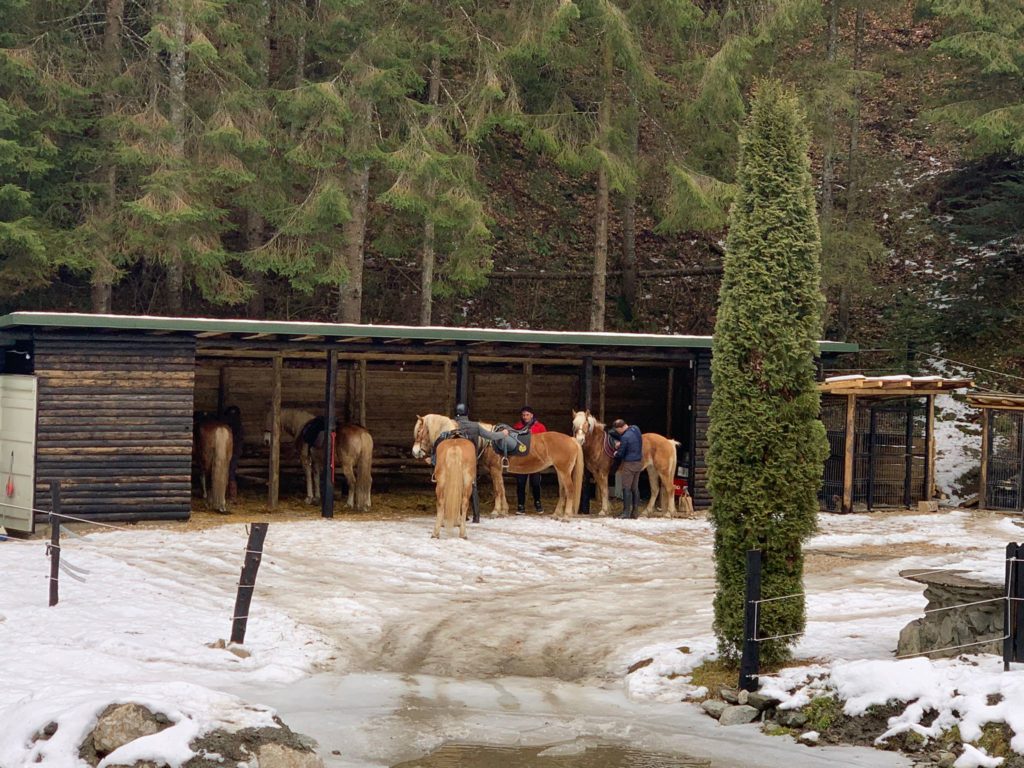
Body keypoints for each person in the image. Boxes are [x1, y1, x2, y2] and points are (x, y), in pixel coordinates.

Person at [512, 405, 547, 514]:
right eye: (523, 415)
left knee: (536, 483)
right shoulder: (517, 426)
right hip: (522, 459)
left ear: (532, 415)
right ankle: (521, 505)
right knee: (520, 483)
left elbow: (546, 442)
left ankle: (538, 503)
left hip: (535, 459)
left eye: (527, 415)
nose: (525, 417)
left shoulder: (540, 427)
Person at [610, 418, 643, 519]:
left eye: (617, 430)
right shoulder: (635, 429)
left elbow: (620, 454)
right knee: (635, 488)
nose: (617, 432)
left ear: (620, 428)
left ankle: (626, 512)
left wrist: (616, 452)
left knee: (626, 487)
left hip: (629, 464)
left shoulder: (625, 437)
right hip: (638, 463)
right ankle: (635, 512)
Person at [222, 405, 244, 501]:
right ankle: (229, 495)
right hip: (230, 451)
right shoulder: (237, 427)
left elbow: (239, 441)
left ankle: (232, 496)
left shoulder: (234, 428)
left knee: (230, 472)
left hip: (233, 452)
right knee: (229, 472)